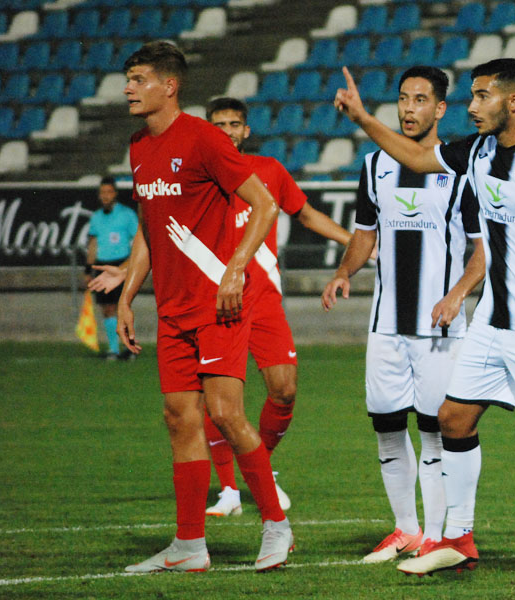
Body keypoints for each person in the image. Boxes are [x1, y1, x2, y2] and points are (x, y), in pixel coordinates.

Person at [333, 58, 515, 590]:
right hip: (491, 323)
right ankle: (458, 539)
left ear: (514, 102)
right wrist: (364, 119)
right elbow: (413, 154)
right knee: (454, 419)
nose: (472, 107)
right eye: (472, 97)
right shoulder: (476, 151)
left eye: (482, 97)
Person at [116, 41, 292, 573]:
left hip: (218, 304)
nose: (128, 87)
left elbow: (264, 203)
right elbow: (151, 228)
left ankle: (277, 528)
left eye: (139, 78)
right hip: (171, 310)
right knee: (179, 419)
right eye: (128, 78)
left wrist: (236, 267)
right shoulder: (137, 148)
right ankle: (190, 545)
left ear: (169, 86)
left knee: (225, 414)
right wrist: (127, 295)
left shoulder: (204, 139)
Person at [321, 66, 485, 563]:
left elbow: (482, 252)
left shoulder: (461, 168)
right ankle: (406, 529)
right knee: (387, 427)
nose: (409, 108)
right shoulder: (374, 166)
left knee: (437, 430)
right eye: (403, 99)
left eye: (420, 100)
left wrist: (458, 294)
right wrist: (345, 271)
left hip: (439, 327)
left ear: (440, 109)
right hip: (386, 324)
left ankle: (437, 535)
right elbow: (365, 234)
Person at [201, 96, 352, 518]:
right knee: (219, 404)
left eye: (235, 124)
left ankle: (257, 468)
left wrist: (357, 244)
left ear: (246, 130)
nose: (227, 131)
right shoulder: (199, 177)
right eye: (219, 124)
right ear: (207, 130)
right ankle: (229, 490)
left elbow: (306, 215)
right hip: (217, 302)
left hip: (264, 302)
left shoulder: (268, 171)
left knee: (284, 390)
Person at [85, 176, 138, 361]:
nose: (105, 196)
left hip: (121, 265)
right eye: (102, 192)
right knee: (106, 309)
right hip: (102, 265)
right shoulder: (96, 217)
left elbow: (139, 241)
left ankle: (130, 348)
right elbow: (93, 243)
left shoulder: (127, 215)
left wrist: (132, 264)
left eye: (109, 192)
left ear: (115, 193)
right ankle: (113, 350)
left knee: (122, 306)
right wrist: (87, 269)